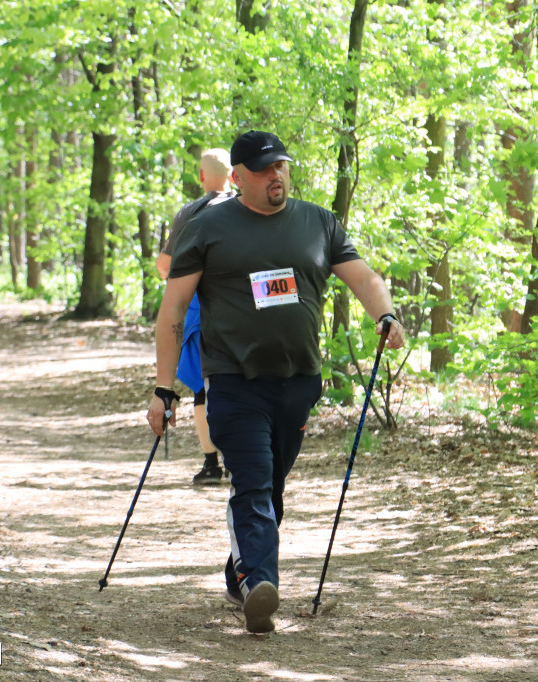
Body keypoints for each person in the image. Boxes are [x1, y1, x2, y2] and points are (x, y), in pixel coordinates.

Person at [146, 130, 406, 634]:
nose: (276, 175)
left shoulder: (317, 223)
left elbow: (365, 278)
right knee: (254, 482)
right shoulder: (208, 227)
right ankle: (260, 581)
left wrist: (386, 314)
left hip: (298, 384)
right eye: (264, 169)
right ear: (238, 177)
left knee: (272, 487)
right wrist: (164, 387)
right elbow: (173, 309)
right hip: (233, 381)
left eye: (281, 166)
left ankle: (238, 569)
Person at [156, 148, 237, 485]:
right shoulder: (247, 208)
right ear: (234, 176)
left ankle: (211, 463)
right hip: (240, 308)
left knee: (203, 388)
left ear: (201, 177)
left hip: (197, 308)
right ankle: (239, 459)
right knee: (237, 384)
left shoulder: (190, 213)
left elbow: (165, 268)